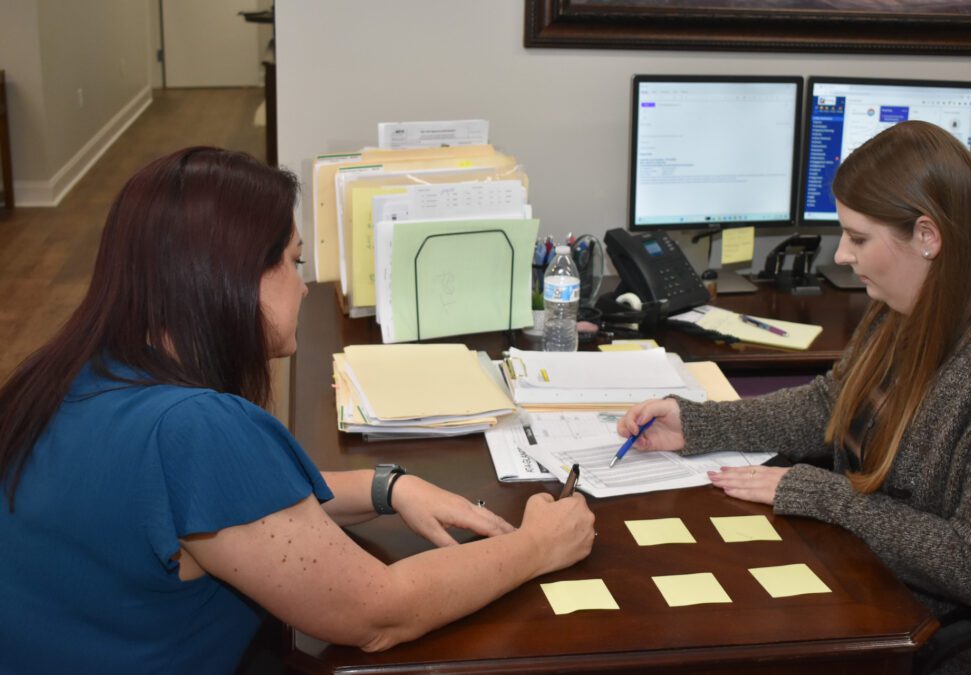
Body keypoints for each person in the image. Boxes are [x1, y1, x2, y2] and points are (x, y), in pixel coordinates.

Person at [0, 147, 595, 674]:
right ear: (228, 279)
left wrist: (388, 488)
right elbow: (378, 615)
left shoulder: (70, 371)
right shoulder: (195, 430)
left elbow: (242, 512)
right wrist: (537, 546)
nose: (304, 285)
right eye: (293, 261)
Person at [619, 121, 971, 672]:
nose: (841, 255)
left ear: (928, 237)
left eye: (858, 238)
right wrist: (697, 426)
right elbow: (831, 406)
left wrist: (822, 496)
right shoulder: (914, 298)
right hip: (868, 576)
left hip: (959, 639)